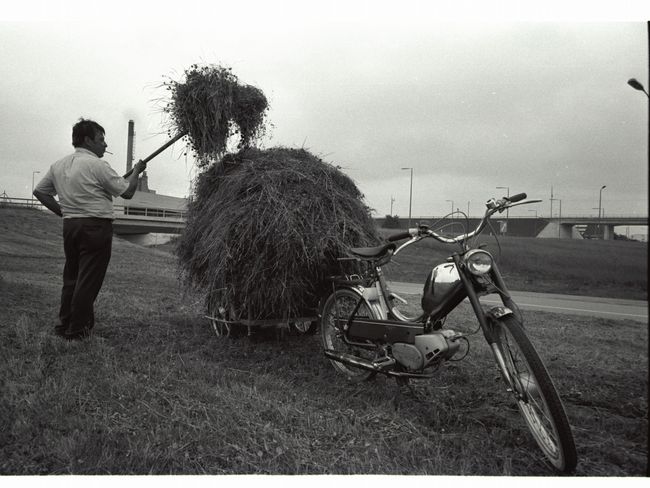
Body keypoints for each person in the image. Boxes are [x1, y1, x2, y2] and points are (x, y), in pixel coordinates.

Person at [33, 118, 147, 341]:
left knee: (72, 277)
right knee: (88, 280)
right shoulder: (97, 165)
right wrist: (136, 172)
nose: (105, 145)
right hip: (95, 227)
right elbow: (127, 192)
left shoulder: (59, 165)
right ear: (87, 140)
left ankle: (64, 324)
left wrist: (63, 212)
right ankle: (78, 330)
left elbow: (40, 192)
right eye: (101, 140)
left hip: (71, 226)